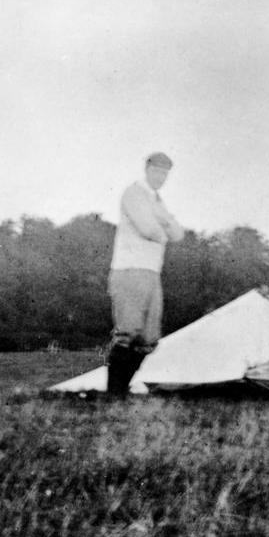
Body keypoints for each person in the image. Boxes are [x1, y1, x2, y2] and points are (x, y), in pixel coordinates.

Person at [106, 152, 184, 395]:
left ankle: (122, 388)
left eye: (165, 173)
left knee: (149, 339)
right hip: (129, 270)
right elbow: (151, 230)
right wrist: (165, 226)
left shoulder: (156, 200)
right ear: (147, 169)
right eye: (157, 171)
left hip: (151, 272)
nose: (161, 177)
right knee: (128, 332)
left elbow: (178, 234)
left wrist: (164, 224)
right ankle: (114, 393)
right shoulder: (134, 193)